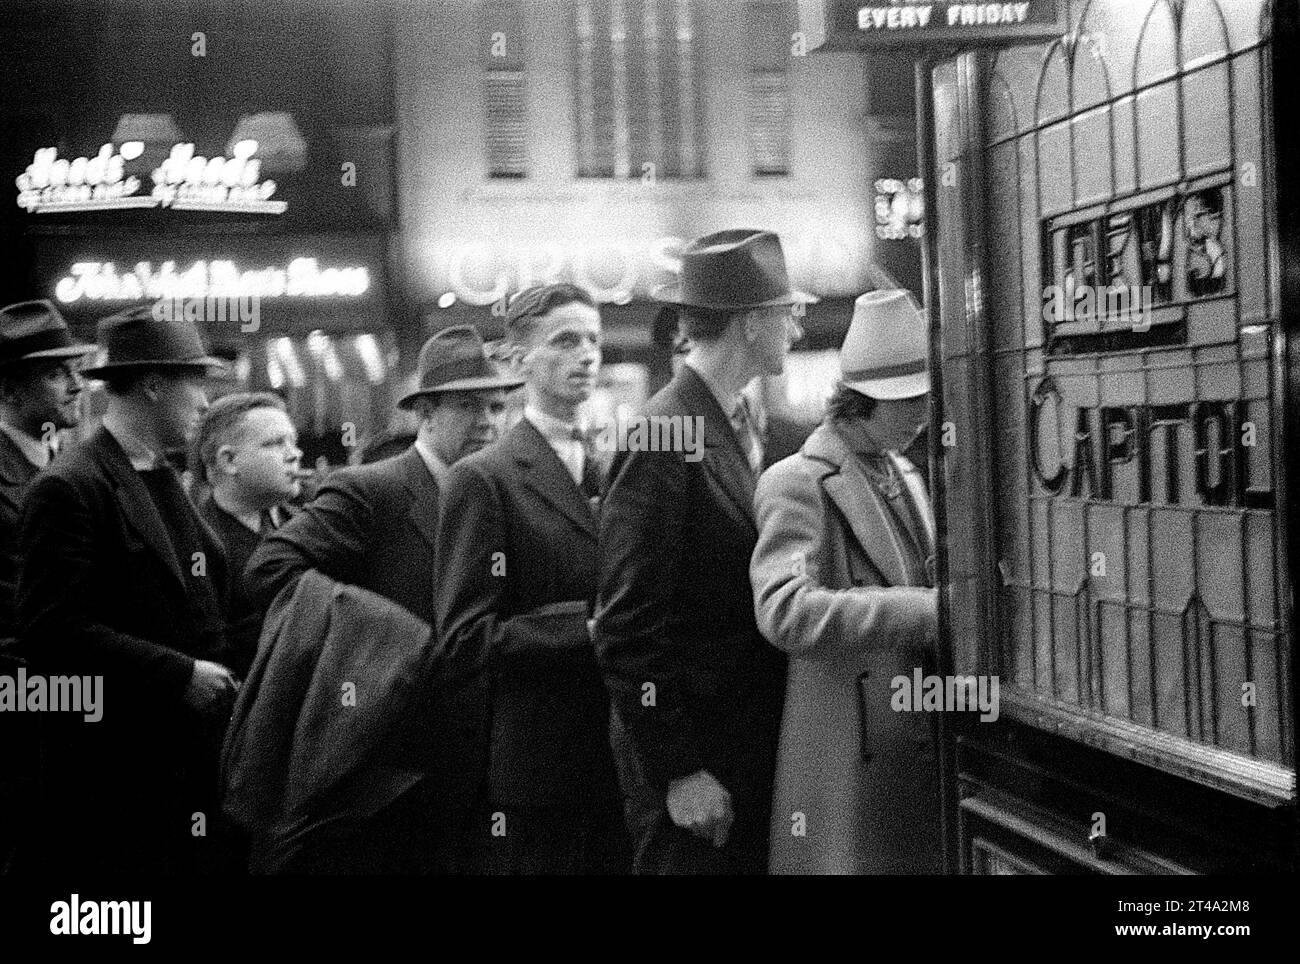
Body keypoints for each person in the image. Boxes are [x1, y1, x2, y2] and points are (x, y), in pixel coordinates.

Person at [245, 325, 522, 873]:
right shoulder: (374, 490)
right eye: (469, 408)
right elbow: (270, 568)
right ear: (426, 412)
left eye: (496, 408)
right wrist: (382, 634)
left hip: (489, 761)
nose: (488, 424)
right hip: (393, 759)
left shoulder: (503, 491)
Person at [595, 228, 810, 874]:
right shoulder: (665, 433)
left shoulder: (727, 423)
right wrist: (679, 769)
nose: (796, 331)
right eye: (787, 315)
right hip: (694, 775)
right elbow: (627, 626)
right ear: (750, 325)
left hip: (734, 754)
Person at [15, 305, 236, 874]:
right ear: (155, 386)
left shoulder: (162, 474)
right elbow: (50, 630)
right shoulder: (71, 485)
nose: (206, 403)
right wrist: (178, 673)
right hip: (116, 767)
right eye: (196, 384)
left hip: (186, 759)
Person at [435, 283, 628, 874]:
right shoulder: (484, 478)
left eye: (593, 340)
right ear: (518, 361)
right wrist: (587, 631)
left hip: (626, 760)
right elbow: (464, 639)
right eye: (565, 341)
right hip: (543, 772)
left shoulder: (616, 463)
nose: (587, 355)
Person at [750, 288, 942, 874]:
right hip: (845, 753)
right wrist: (929, 611)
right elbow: (785, 611)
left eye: (924, 400)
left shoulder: (905, 471)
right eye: (905, 403)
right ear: (858, 404)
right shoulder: (797, 482)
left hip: (917, 745)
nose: (920, 417)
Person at [0, 299, 95, 874]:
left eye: (75, 369)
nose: (75, 385)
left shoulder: (73, 463)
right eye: (54, 372)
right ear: (10, 388)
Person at [190, 392, 303, 679]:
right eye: (275, 444)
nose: (294, 454)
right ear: (228, 461)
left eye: (293, 441)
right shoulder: (196, 541)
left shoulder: (307, 521)